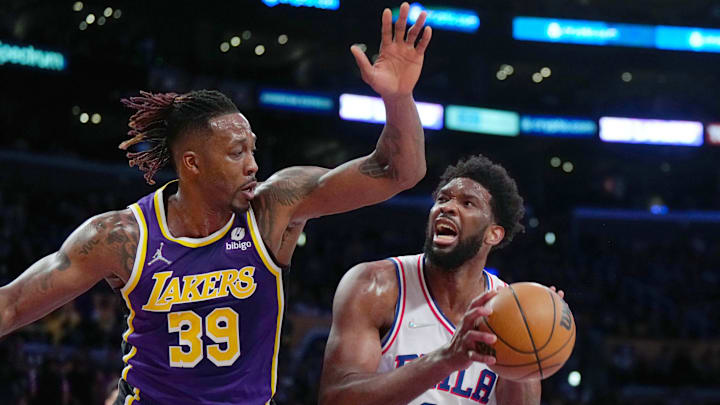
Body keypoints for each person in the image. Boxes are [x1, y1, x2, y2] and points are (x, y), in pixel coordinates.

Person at [0, 3, 432, 404]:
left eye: (253, 149)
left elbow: (400, 171)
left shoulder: (274, 208)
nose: (253, 165)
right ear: (192, 164)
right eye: (236, 152)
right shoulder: (120, 237)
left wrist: (397, 98)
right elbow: (13, 305)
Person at [319, 154, 564, 405]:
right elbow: (336, 399)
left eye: (468, 203)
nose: (446, 207)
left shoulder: (509, 310)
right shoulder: (375, 285)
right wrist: (446, 359)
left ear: (494, 234)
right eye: (442, 199)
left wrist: (531, 335)